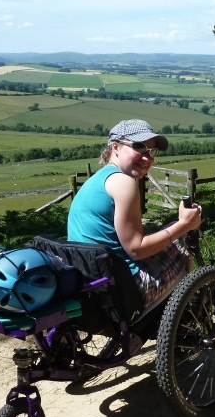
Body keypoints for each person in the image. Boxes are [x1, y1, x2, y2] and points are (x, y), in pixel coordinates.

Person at [67, 119, 203, 307]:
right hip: (125, 292)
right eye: (139, 147)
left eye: (152, 152)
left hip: (90, 288)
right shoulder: (124, 183)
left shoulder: (95, 181)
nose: (147, 158)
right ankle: (185, 310)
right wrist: (184, 225)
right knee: (181, 237)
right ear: (115, 147)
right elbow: (136, 249)